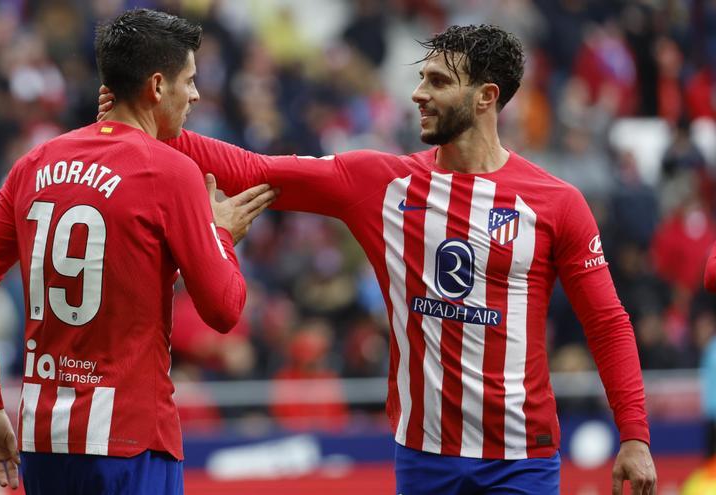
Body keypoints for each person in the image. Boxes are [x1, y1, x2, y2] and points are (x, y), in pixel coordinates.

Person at [99, 23, 657, 495]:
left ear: (486, 97)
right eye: (421, 78)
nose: (418, 93)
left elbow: (606, 322)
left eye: (438, 82)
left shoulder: (556, 203)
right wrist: (142, 119)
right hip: (422, 457)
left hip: (521, 460)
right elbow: (254, 168)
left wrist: (634, 435)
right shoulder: (381, 184)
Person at [0, 9, 275, 495]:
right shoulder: (172, 172)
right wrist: (221, 234)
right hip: (131, 440)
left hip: (44, 441)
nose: (196, 95)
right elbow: (224, 309)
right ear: (156, 85)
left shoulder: (33, 164)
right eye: (189, 81)